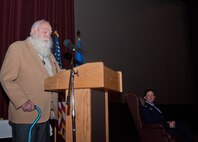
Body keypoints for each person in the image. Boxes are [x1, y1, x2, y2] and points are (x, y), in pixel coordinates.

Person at [0, 20, 61, 142]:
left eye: (49, 33)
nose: (48, 35)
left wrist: (75, 74)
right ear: (33, 31)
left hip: (45, 115)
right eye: (45, 31)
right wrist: (22, 101)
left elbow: (59, 75)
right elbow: (6, 78)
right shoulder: (18, 48)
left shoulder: (48, 55)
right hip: (26, 114)